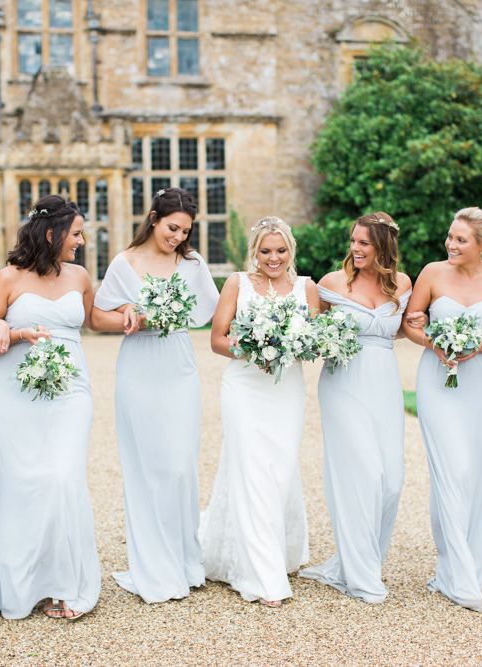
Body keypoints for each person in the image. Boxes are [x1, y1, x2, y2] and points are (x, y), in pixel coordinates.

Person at [0, 195, 100, 621]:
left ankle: (67, 584)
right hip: (17, 394)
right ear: (51, 233)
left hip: (70, 390)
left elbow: (91, 322)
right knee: (22, 484)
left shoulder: (80, 277)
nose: (81, 241)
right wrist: (9, 327)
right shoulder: (7, 278)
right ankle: (26, 586)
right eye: (76, 233)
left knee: (63, 478)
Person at [91, 188, 219, 603]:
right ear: (152, 218)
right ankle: (155, 567)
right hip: (139, 366)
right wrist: (129, 316)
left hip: (177, 362)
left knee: (180, 463)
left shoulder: (192, 263)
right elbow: (97, 317)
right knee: (147, 465)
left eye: (185, 230)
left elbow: (211, 311)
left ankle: (184, 560)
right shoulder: (124, 263)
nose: (178, 236)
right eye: (172, 227)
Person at [403, 207, 482, 612]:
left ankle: (470, 558)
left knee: (473, 470)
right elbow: (410, 324)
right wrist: (437, 343)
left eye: (461, 240)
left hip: (481, 384)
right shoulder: (432, 273)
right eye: (450, 237)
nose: (451, 244)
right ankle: (456, 573)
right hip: (438, 379)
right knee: (450, 468)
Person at [201, 216, 319, 607]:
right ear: (255, 251)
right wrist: (253, 350)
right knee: (251, 468)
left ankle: (276, 551)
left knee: (280, 470)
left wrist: (290, 347)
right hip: (244, 387)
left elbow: (314, 343)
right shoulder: (237, 283)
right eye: (266, 251)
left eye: (281, 250)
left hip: (286, 389)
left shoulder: (307, 288)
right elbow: (218, 339)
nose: (273, 258)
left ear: (291, 251)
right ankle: (260, 573)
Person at [299, 212, 416, 603]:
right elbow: (312, 335)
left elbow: (403, 328)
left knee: (392, 480)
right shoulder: (331, 283)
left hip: (384, 383)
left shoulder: (402, 283)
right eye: (353, 241)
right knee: (361, 473)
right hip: (343, 383)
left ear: (383, 245)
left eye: (364, 243)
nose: (355, 248)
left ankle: (361, 560)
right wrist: (323, 340)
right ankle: (362, 577)